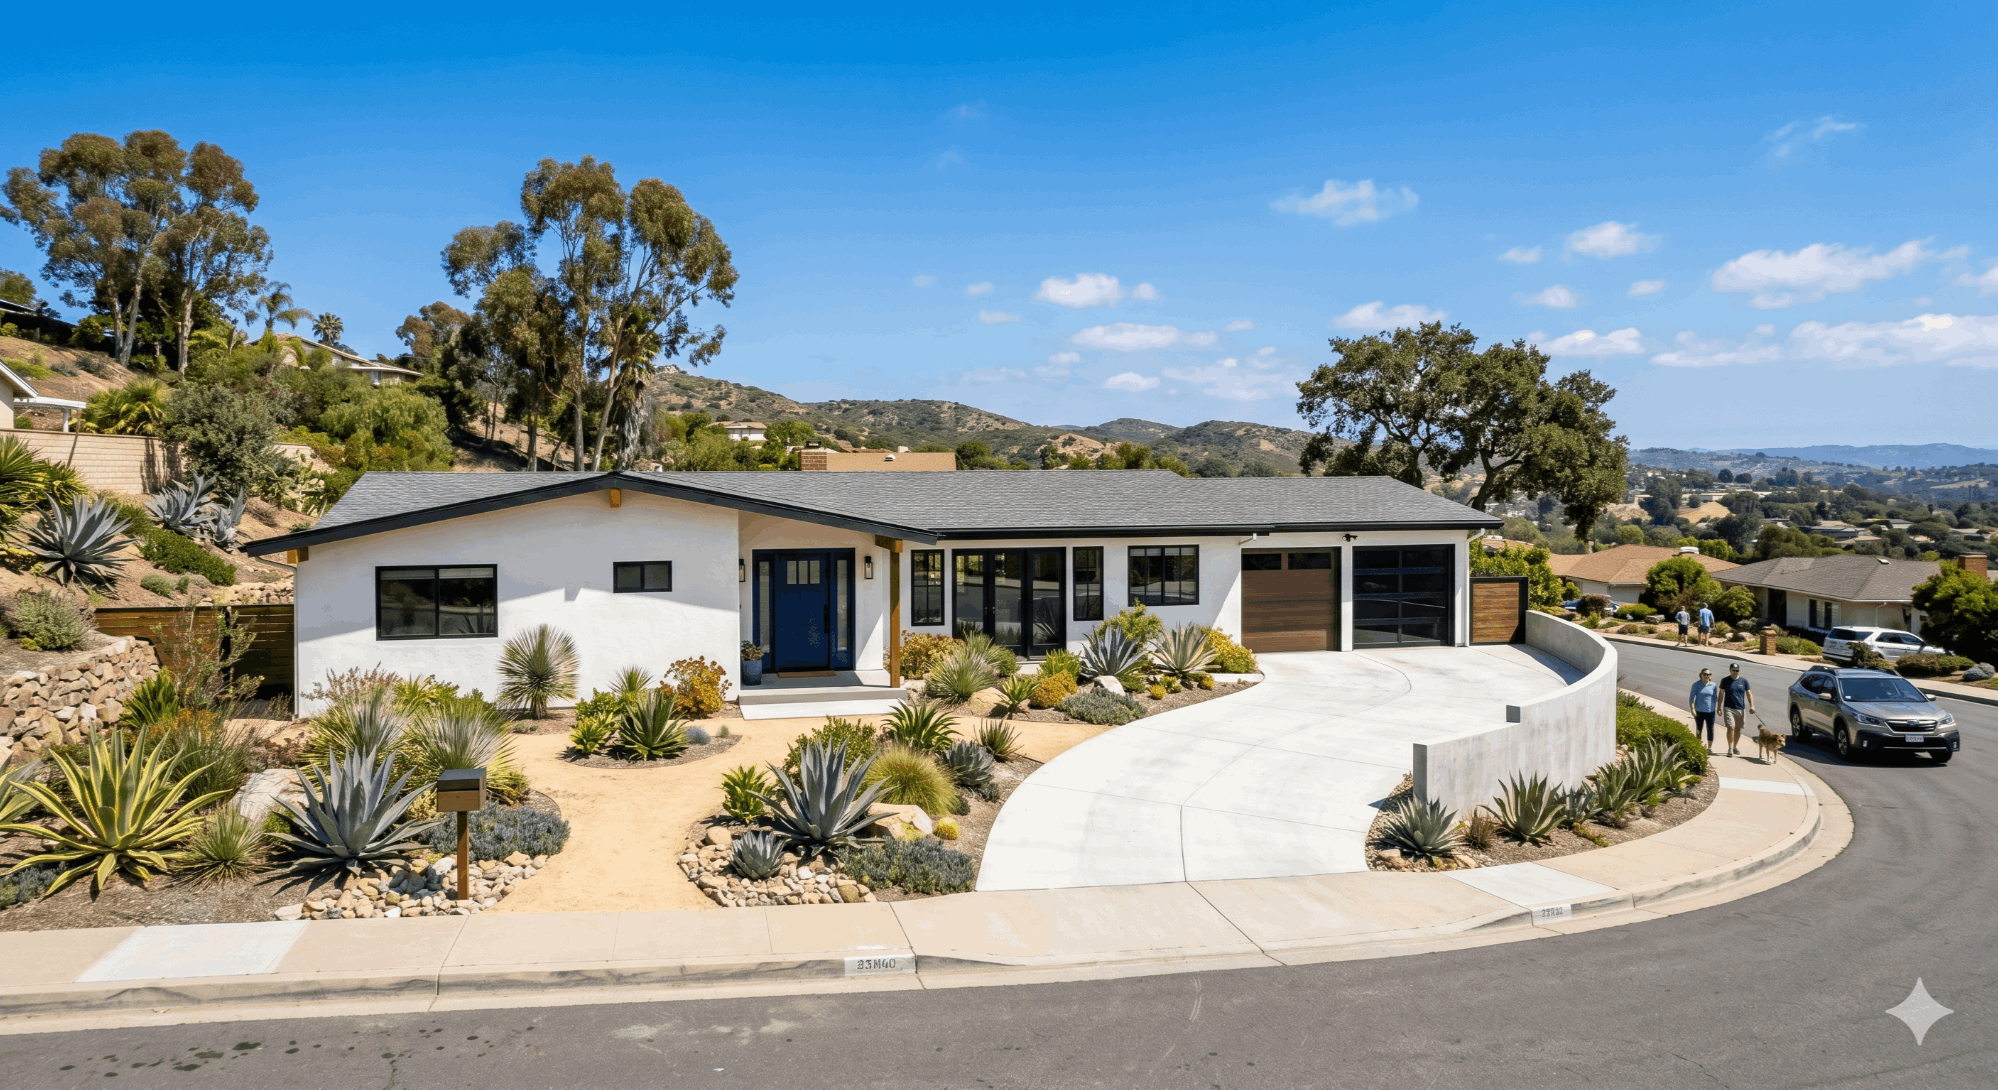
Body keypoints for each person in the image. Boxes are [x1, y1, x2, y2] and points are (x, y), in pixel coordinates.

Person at [1720, 662, 1755, 757]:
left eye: (1737, 670)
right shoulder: (1725, 680)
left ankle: (1735, 747)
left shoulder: (1744, 681)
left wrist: (1752, 706)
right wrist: (1719, 707)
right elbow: (1721, 694)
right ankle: (1730, 748)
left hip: (1740, 709)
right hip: (1728, 708)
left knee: (1738, 729)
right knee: (1731, 727)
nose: (1735, 672)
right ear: (1730, 670)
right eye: (1733, 670)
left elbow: (1749, 694)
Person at [1688, 667, 1720, 751]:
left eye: (1708, 674)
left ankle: (1709, 748)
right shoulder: (1696, 685)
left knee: (1711, 729)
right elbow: (1691, 698)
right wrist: (1692, 709)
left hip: (1710, 711)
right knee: (1699, 729)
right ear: (1701, 675)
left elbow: (1715, 698)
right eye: (1705, 674)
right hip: (1699, 711)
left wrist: (1719, 707)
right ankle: (1698, 746)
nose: (1707, 676)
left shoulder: (1713, 685)